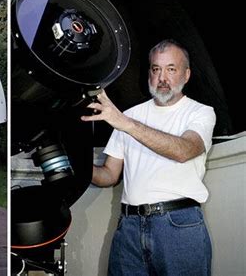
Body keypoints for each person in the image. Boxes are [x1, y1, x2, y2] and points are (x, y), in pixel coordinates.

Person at [81, 39, 216, 276]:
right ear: (149, 75)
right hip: (129, 228)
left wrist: (125, 124)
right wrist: (73, 165)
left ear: (186, 75)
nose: (162, 77)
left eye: (171, 69)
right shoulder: (130, 115)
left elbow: (184, 150)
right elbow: (110, 175)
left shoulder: (201, 113)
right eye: (156, 69)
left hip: (179, 226)